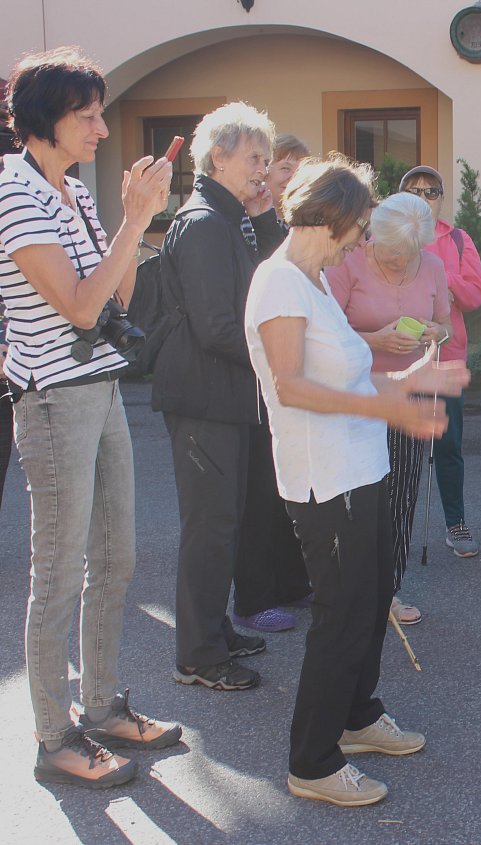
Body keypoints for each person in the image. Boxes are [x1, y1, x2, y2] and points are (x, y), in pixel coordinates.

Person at [245, 154, 468, 806]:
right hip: (325, 478)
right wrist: (386, 407)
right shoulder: (280, 282)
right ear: (332, 218)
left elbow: (345, 371)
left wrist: (411, 382)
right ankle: (313, 761)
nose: (362, 241)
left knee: (371, 600)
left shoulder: (314, 280)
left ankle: (359, 716)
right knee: (341, 615)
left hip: (362, 467)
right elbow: (291, 385)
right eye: (359, 227)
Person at [0, 46, 181, 788]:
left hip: (99, 388)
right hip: (52, 398)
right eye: (88, 116)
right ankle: (54, 738)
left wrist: (137, 222)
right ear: (45, 119)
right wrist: (134, 218)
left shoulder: (69, 189)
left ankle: (102, 708)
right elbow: (78, 307)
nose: (102, 129)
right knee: (58, 574)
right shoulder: (14, 189)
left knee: (115, 559)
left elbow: (116, 301)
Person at [154, 102, 275, 689]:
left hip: (224, 396)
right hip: (204, 398)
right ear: (218, 158)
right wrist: (280, 359)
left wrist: (264, 217)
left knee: (224, 522)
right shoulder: (204, 222)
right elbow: (218, 328)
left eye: (266, 159)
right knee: (210, 526)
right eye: (255, 158)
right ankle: (198, 656)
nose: (263, 169)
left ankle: (213, 630)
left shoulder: (228, 216)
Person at [327, 192, 451, 625]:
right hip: (353, 393)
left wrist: (435, 332)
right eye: (394, 251)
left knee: (400, 496)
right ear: (373, 235)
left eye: (411, 252)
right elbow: (323, 334)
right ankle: (343, 588)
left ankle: (387, 592)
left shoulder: (432, 266)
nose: (402, 261)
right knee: (354, 496)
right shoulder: (347, 262)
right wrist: (376, 339)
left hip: (408, 394)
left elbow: (447, 326)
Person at [229, 131, 314, 633]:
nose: (290, 177)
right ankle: (254, 598)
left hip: (285, 376)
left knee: (288, 491)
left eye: (300, 169)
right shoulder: (243, 220)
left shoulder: (284, 225)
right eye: (283, 167)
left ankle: (291, 582)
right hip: (253, 378)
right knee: (259, 497)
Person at [399, 165, 481, 557]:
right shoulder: (383, 237)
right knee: (398, 448)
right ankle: (394, 522)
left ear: (441, 199)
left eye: (431, 191)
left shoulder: (458, 239)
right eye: (414, 191)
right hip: (396, 357)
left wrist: (441, 278)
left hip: (445, 357)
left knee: (447, 445)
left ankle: (456, 522)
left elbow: (475, 295)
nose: (423, 198)